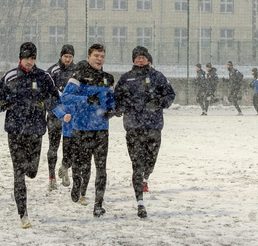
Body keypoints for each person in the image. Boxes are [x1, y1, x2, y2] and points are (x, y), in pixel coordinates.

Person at [0, 41, 60, 229]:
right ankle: (23, 214)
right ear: (20, 59)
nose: (29, 62)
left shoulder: (44, 76)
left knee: (32, 171)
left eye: (32, 58)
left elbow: (55, 97)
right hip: (15, 130)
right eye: (26, 58)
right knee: (19, 173)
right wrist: (2, 104)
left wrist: (46, 103)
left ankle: (26, 176)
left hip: (36, 129)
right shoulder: (10, 76)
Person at [114, 46, 175, 219]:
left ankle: (147, 175)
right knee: (136, 163)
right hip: (133, 126)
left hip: (153, 126)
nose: (140, 60)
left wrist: (159, 102)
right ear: (133, 60)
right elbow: (117, 98)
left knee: (150, 159)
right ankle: (140, 201)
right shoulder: (126, 78)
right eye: (137, 58)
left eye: (143, 57)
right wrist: (119, 108)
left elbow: (170, 95)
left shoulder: (157, 76)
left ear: (148, 59)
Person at [60, 43, 115, 217]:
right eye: (96, 56)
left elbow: (111, 99)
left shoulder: (108, 78)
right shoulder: (79, 75)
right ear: (89, 56)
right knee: (81, 165)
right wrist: (86, 100)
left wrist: (113, 109)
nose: (99, 59)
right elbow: (66, 97)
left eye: (102, 56)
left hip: (101, 129)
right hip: (81, 128)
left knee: (101, 168)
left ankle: (98, 204)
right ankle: (77, 185)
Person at [45, 44, 78, 190]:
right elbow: (47, 93)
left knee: (69, 147)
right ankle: (51, 178)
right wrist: (55, 108)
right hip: (55, 115)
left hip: (70, 116)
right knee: (53, 147)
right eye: (66, 56)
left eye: (70, 57)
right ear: (61, 56)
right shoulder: (52, 71)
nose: (68, 59)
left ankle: (65, 167)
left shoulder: (77, 71)